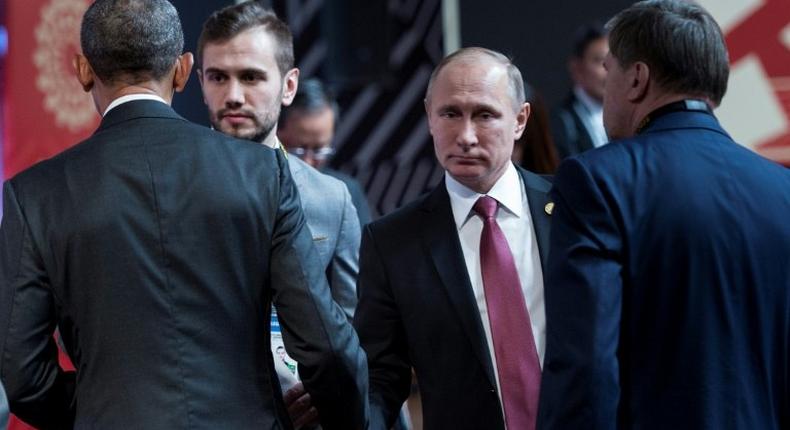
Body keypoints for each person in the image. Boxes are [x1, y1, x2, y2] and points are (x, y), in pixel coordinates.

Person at [0, 1, 368, 429]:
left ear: (83, 71)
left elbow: (21, 369)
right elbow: (324, 344)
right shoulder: (262, 172)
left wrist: (99, 408)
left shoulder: (35, 194)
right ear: (182, 69)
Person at [539, 1, 790, 429]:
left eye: (610, 67)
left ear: (636, 78)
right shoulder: (782, 189)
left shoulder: (595, 179)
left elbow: (586, 366)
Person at [354, 47, 553, 430]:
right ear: (430, 117)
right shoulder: (392, 242)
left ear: (520, 120)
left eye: (484, 115)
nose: (465, 136)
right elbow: (381, 379)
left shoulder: (574, 210)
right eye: (450, 114)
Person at [196, 3, 362, 428]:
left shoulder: (330, 199)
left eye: (250, 77)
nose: (233, 95)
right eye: (218, 77)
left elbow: (352, 329)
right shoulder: (170, 190)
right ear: (200, 82)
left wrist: (323, 393)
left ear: (289, 86)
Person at [278, 77, 373, 226]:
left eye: (318, 150)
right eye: (298, 150)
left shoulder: (347, 195)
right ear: (277, 136)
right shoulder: (254, 189)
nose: (308, 162)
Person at [550, 24, 609, 159]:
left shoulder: (630, 116)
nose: (609, 70)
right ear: (576, 68)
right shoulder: (560, 121)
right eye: (599, 60)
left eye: (613, 61)